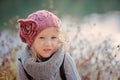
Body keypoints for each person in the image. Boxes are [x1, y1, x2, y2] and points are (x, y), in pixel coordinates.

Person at [17, 10, 81, 80]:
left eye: (53, 37)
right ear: (31, 41)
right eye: (41, 38)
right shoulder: (23, 64)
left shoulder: (65, 60)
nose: (48, 44)